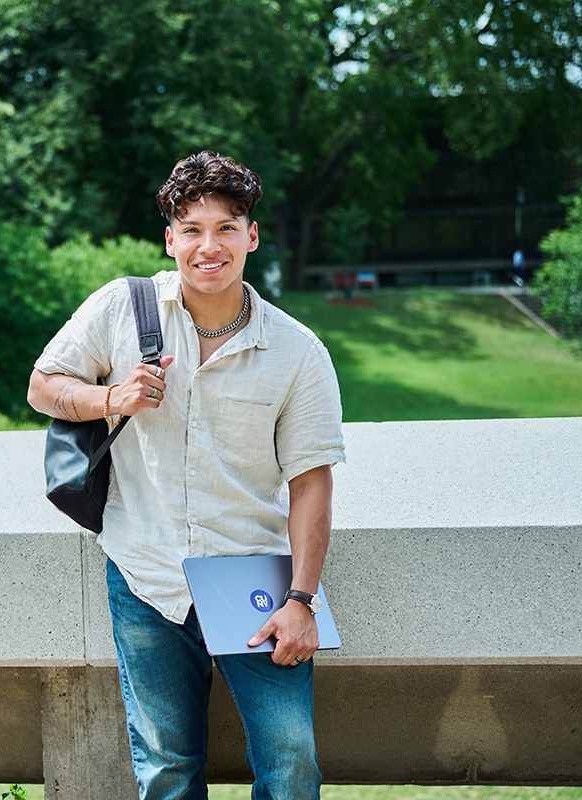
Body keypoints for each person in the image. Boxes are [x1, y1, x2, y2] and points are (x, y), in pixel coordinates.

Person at [27, 151, 344, 800]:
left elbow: (311, 484)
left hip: (255, 584)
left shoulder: (298, 351)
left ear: (251, 237)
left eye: (226, 228)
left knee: (292, 765)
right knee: (167, 774)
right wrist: (110, 400)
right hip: (146, 574)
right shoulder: (123, 308)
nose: (209, 246)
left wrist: (303, 602)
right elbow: (43, 386)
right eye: (192, 229)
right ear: (170, 238)